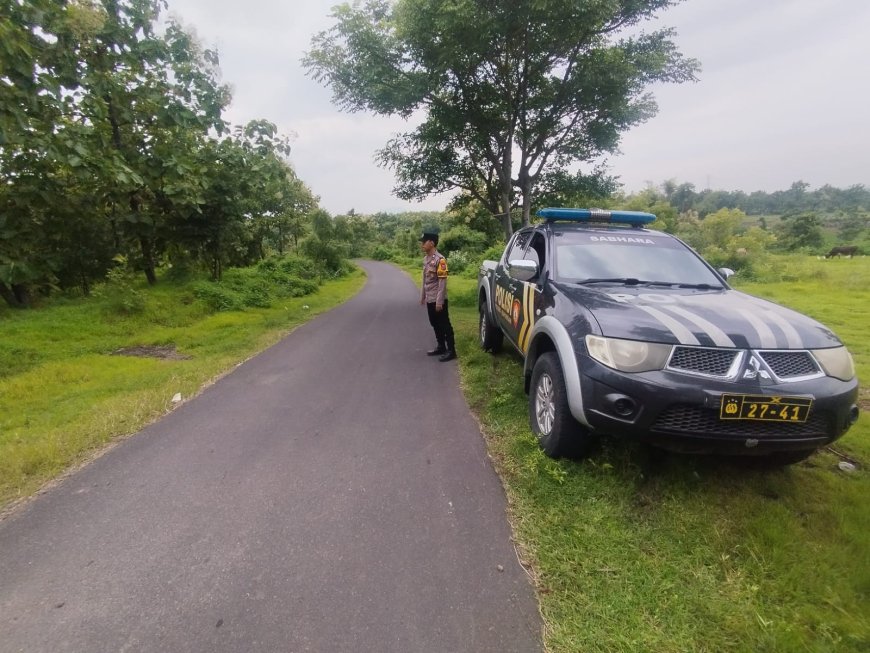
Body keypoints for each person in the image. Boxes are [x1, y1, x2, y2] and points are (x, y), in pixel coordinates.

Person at [419, 231, 456, 362]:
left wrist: (439, 302)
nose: (422, 244)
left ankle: (451, 351)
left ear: (432, 243)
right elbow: (425, 279)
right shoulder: (426, 259)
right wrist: (422, 296)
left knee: (444, 324)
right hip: (430, 298)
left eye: (424, 242)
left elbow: (442, 282)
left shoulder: (440, 260)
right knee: (434, 323)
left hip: (438, 299)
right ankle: (441, 346)